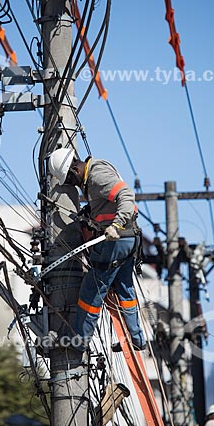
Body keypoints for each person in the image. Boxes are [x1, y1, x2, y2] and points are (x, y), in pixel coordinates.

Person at [48, 147, 146, 353]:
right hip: (128, 241)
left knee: (91, 290)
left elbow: (126, 196)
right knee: (124, 289)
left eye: (69, 180)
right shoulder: (92, 176)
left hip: (118, 240)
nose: (71, 185)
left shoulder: (96, 175)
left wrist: (116, 225)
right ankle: (136, 338)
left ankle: (80, 340)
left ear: (74, 170)